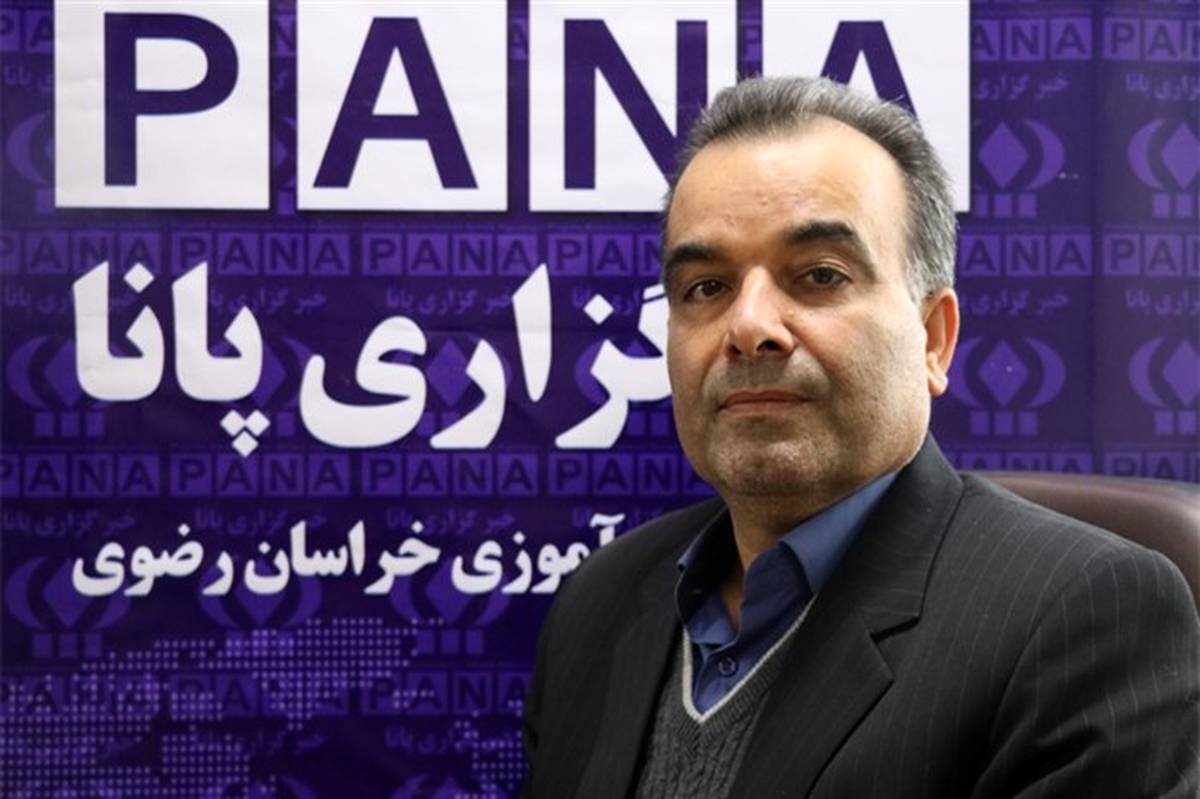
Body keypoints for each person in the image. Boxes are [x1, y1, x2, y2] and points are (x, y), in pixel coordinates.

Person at [521, 76, 1199, 798]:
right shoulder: (603, 599)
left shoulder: (1083, 619)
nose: (748, 325)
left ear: (933, 339)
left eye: (819, 275)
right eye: (706, 287)